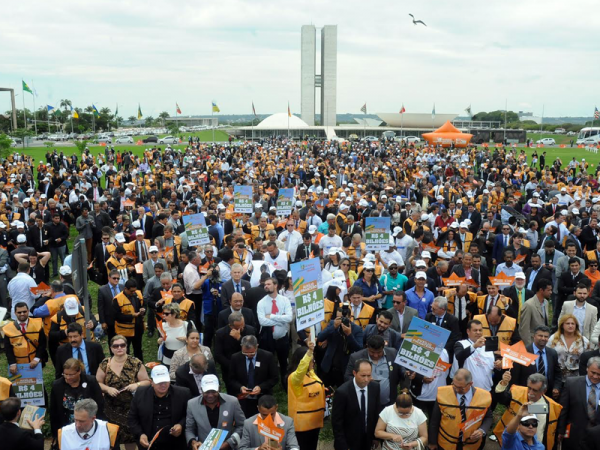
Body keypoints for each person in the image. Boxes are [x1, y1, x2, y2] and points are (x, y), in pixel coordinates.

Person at [96, 334, 150, 450]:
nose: (119, 348)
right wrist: (107, 389)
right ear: (111, 348)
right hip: (111, 409)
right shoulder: (105, 364)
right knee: (113, 439)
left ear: (126, 346)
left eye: (122, 345)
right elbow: (97, 383)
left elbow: (147, 381)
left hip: (132, 409)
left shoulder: (136, 363)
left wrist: (137, 384)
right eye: (115, 346)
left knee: (132, 441)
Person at [127, 365, 191, 450]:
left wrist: (181, 425)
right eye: (159, 382)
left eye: (165, 381)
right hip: (149, 444)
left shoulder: (183, 393)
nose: (163, 385)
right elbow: (132, 418)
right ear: (151, 382)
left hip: (175, 444)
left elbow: (190, 416)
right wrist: (140, 434)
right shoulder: (140, 394)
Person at [429, 368, 493, 450]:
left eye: (460, 387)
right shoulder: (442, 394)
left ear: (470, 384)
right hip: (446, 443)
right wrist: (432, 442)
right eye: (454, 385)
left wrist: (482, 430)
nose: (456, 389)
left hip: (471, 445)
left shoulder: (484, 397)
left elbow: (488, 417)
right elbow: (434, 420)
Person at [494, 373, 562, 450]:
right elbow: (501, 399)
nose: (530, 392)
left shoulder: (551, 406)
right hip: (515, 444)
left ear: (544, 391)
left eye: (535, 390)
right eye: (529, 388)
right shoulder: (517, 393)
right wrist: (504, 383)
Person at [185, 374, 246, 450]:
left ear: (219, 389)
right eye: (207, 392)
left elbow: (242, 425)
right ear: (201, 389)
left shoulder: (232, 402)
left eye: (213, 391)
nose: (210, 395)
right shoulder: (192, 404)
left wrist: (228, 443)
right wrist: (193, 442)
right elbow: (189, 429)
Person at [332, 359, 381, 450]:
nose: (366, 379)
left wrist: (375, 437)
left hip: (367, 440)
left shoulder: (375, 387)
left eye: (369, 375)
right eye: (363, 376)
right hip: (349, 442)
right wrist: (343, 445)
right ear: (354, 373)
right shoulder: (342, 392)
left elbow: (375, 413)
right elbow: (337, 422)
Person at [50, 358, 105, 440]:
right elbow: (54, 412)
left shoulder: (91, 381)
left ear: (79, 371)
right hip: (67, 426)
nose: (68, 377)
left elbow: (100, 405)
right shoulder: (57, 385)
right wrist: (55, 434)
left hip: (89, 426)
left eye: (71, 375)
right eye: (65, 374)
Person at [345, 335, 404, 407]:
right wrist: (362, 380)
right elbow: (348, 377)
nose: (376, 355)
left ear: (383, 347)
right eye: (372, 352)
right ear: (367, 347)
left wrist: (407, 374)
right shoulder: (356, 357)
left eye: (379, 352)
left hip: (388, 404)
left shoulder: (393, 353)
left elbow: (401, 371)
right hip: (365, 405)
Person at [287, 341, 325, 450]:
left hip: (315, 422)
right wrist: (309, 352)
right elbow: (301, 370)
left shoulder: (311, 372)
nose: (313, 362)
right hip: (302, 426)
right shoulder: (295, 378)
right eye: (311, 360)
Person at [229, 335, 279, 418]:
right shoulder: (235, 358)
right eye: (245, 353)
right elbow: (231, 379)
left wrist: (261, 387)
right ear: (241, 346)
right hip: (243, 399)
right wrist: (240, 387)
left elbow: (274, 378)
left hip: (262, 398)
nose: (248, 355)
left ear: (257, 346)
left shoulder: (267, 356)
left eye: (252, 353)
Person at [256, 277, 293, 386]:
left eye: (268, 284)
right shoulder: (261, 303)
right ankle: (269, 385)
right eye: (265, 285)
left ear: (275, 285)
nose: (266, 286)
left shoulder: (284, 300)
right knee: (267, 362)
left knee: (283, 362)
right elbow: (262, 321)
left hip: (282, 337)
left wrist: (271, 316)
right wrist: (280, 320)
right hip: (267, 338)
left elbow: (289, 318)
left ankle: (285, 383)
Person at [558, 357, 600, 450]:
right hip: (574, 434)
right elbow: (563, 409)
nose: (596, 376)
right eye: (593, 373)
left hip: (597, 438)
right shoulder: (571, 383)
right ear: (587, 369)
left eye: (599, 374)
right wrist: (560, 431)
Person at [509, 326, 563, 398]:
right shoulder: (523, 352)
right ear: (534, 336)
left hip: (547, 395)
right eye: (540, 336)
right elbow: (515, 376)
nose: (543, 338)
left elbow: (557, 373)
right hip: (527, 394)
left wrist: (556, 387)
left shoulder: (552, 353)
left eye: (546, 336)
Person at [452, 319, 496, 391]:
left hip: (486, 389)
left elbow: (492, 366)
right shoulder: (461, 344)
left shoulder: (488, 346)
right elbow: (459, 356)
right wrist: (474, 346)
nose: (478, 333)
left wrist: (498, 365)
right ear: (468, 331)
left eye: (480, 330)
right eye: (475, 330)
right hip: (466, 390)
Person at [3, 301, 46, 375]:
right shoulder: (8, 329)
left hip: (35, 362)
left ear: (28, 311)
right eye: (19, 312)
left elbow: (43, 343)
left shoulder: (37, 324)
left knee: (38, 384)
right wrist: (12, 363)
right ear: (15, 313)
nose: (22, 314)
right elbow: (8, 348)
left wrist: (37, 358)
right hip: (18, 364)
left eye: (24, 311)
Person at [112, 279, 145, 361]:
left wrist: (143, 309)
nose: (133, 292)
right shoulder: (117, 299)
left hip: (137, 328)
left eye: (135, 290)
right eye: (131, 291)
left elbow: (144, 304)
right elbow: (116, 316)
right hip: (124, 331)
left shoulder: (138, 294)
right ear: (125, 289)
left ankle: (139, 366)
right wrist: (132, 316)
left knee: (138, 349)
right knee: (125, 350)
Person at [549, 313, 590, 379]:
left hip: (577, 377)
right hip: (557, 377)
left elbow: (588, 359)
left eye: (572, 323)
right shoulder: (553, 339)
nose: (570, 326)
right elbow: (548, 356)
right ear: (562, 325)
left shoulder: (583, 340)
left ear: (576, 325)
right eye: (567, 323)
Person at [425, 296, 462, 361]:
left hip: (445, 351)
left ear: (442, 309)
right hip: (429, 349)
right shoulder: (429, 316)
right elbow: (425, 332)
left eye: (434, 308)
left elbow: (455, 338)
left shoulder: (452, 320)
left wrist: (440, 348)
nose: (431, 310)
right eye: (431, 307)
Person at [158, 302, 193, 368]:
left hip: (183, 360)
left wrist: (186, 339)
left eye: (166, 314)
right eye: (163, 313)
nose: (164, 316)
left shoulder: (187, 325)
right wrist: (159, 341)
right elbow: (161, 342)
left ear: (174, 314)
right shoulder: (162, 326)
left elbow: (196, 340)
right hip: (167, 359)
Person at [519, 278, 552, 346]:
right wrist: (529, 346)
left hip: (543, 342)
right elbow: (524, 329)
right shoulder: (529, 305)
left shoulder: (546, 302)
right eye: (548, 290)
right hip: (532, 342)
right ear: (541, 290)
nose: (551, 292)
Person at [98, 269, 122, 344]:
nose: (116, 280)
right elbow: (100, 307)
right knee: (112, 340)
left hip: (122, 318)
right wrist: (103, 322)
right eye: (114, 278)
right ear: (109, 278)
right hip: (110, 320)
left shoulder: (122, 287)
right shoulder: (102, 290)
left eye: (118, 278)